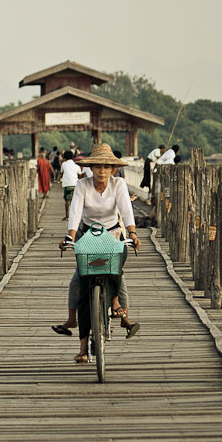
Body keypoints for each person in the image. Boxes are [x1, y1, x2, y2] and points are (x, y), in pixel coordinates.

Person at [51, 143, 141, 363]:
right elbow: (75, 212)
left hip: (112, 234)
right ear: (90, 168)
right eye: (97, 166)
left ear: (113, 170)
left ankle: (117, 305)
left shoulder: (118, 184)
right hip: (86, 234)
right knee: (80, 282)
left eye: (106, 167)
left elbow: (126, 210)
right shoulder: (82, 185)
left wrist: (133, 232)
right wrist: (70, 237)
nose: (102, 171)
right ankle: (82, 348)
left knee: (117, 270)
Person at [59, 150, 81, 221]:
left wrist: (58, 179)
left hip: (67, 185)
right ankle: (74, 215)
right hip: (75, 184)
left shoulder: (64, 164)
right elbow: (79, 174)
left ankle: (67, 215)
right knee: (74, 200)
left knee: (67, 200)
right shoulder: (76, 165)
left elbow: (62, 173)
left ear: (64, 157)